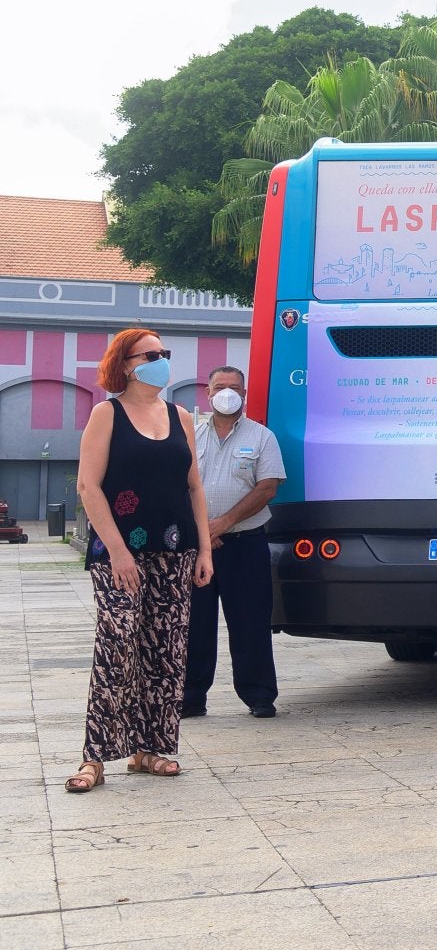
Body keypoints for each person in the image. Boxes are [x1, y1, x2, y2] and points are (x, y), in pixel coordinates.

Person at [64, 329, 214, 792]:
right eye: (152, 354)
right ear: (127, 363)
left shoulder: (181, 416)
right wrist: (118, 551)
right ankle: (96, 757)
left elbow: (193, 486)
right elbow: (89, 486)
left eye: (165, 354)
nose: (162, 360)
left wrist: (205, 548)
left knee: (166, 650)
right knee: (117, 649)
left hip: (175, 550)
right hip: (120, 553)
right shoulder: (106, 414)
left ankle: (150, 750)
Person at [183, 365, 286, 720]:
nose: (227, 393)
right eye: (219, 386)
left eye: (234, 387)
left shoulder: (262, 437)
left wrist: (224, 524)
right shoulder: (190, 436)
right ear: (207, 394)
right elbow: (179, 486)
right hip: (198, 547)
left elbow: (268, 486)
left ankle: (259, 695)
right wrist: (203, 533)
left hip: (244, 543)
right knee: (195, 623)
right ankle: (191, 697)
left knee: (250, 622)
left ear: (244, 394)